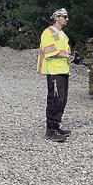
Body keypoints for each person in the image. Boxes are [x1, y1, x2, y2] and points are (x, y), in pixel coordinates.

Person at [38, 8, 73, 142]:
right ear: (57, 18)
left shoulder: (63, 35)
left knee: (62, 99)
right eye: (64, 16)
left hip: (63, 71)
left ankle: (56, 125)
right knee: (55, 99)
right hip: (53, 71)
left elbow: (65, 52)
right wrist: (66, 55)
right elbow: (49, 51)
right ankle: (50, 129)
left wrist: (72, 57)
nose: (66, 19)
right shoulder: (48, 33)